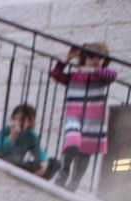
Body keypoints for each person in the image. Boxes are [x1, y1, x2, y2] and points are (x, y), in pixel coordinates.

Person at [50, 43, 118, 192]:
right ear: (84, 58)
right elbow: (55, 74)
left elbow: (112, 75)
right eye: (92, 57)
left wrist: (92, 70)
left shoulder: (101, 77)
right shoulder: (75, 76)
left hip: (93, 121)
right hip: (74, 117)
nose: (96, 61)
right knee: (72, 142)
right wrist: (67, 59)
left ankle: (74, 182)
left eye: (100, 58)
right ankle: (63, 172)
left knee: (85, 153)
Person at [0, 104, 60, 179]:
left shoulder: (30, 135)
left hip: (20, 165)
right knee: (19, 164)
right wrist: (11, 137)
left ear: (29, 122)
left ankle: (38, 174)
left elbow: (37, 150)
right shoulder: (6, 130)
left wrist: (43, 161)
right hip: (5, 162)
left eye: (21, 120)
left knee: (54, 163)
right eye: (14, 119)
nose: (16, 122)